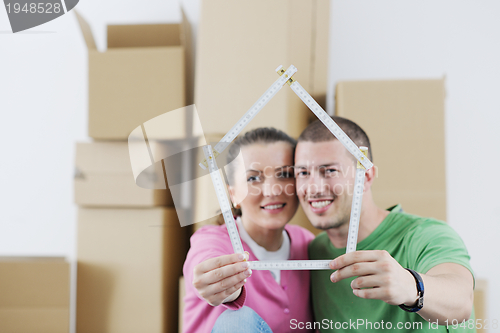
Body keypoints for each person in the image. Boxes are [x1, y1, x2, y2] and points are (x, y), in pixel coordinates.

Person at [294, 116, 475, 332]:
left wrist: (410, 286)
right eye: (303, 173)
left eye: (330, 171)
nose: (313, 188)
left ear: (366, 176)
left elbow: (461, 300)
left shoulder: (426, 235)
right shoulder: (313, 250)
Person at [183, 127, 315, 333]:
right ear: (233, 193)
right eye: (253, 178)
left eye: (284, 174)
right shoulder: (213, 240)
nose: (272, 190)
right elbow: (204, 260)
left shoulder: (306, 242)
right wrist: (221, 285)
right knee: (237, 320)